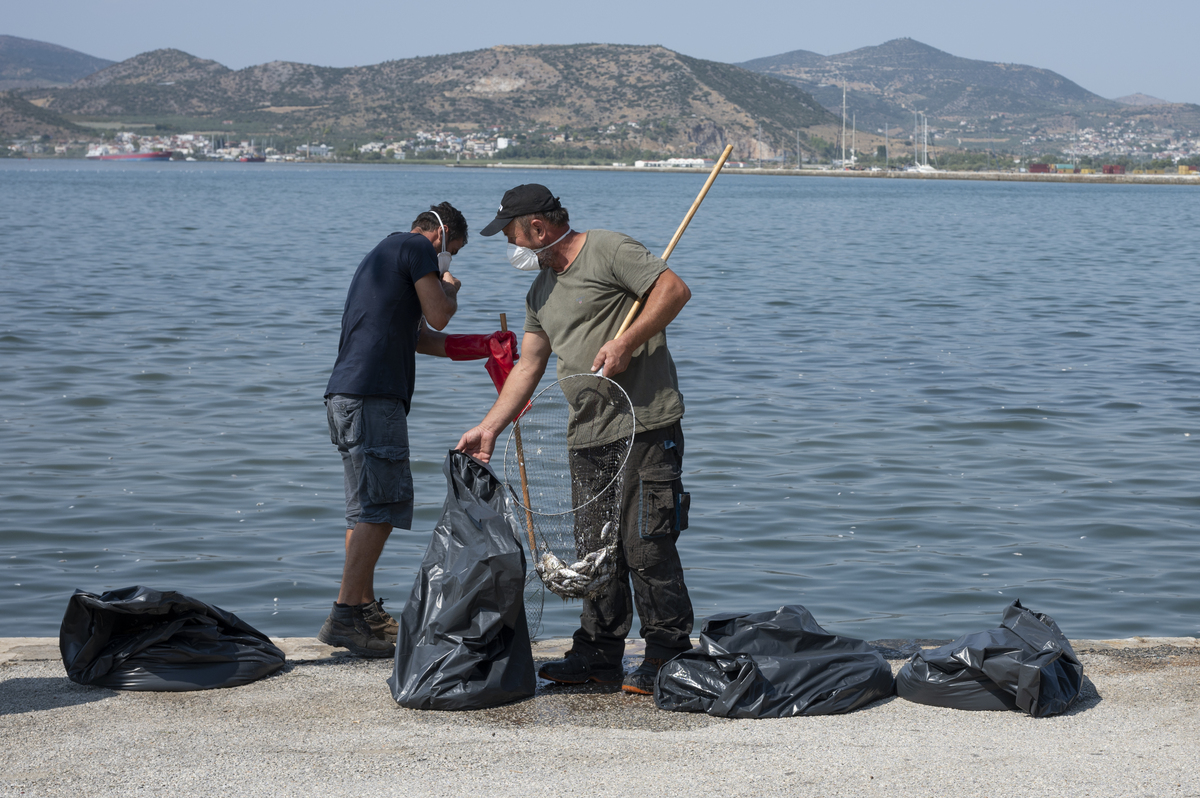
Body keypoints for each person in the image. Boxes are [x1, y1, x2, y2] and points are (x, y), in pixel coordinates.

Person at [456, 184, 694, 694]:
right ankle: (598, 654)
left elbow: (673, 290)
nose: (511, 248)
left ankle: (667, 654)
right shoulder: (540, 290)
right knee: (595, 551)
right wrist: (490, 426)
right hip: (586, 435)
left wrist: (627, 340)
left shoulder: (609, 249)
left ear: (538, 228)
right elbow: (529, 365)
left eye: (512, 235)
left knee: (647, 544)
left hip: (645, 425)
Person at [319, 202, 465, 657]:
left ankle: (361, 608)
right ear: (440, 236)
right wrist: (450, 289)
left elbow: (421, 336)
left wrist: (480, 349)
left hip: (347, 395)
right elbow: (439, 315)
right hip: (373, 396)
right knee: (385, 504)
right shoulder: (416, 247)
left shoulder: (386, 255)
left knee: (363, 509)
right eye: (454, 252)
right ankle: (345, 615)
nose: (450, 261)